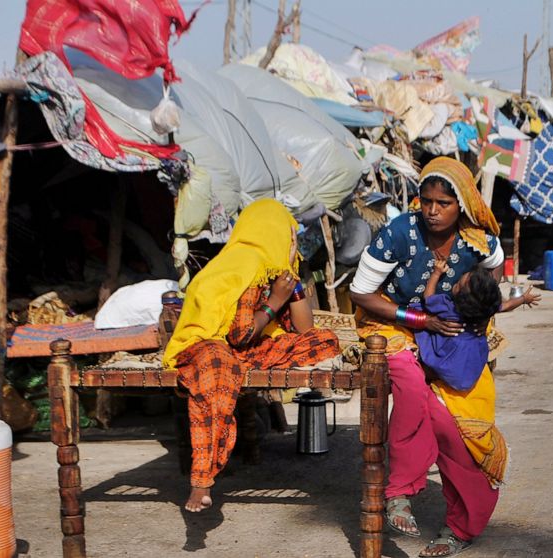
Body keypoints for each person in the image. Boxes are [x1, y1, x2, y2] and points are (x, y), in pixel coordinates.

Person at [350, 157, 533, 558]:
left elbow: (492, 281)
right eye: (426, 200)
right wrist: (420, 319)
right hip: (392, 327)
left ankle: (462, 525)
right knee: (413, 389)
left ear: (462, 204)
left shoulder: (478, 241)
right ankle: (399, 491)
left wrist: (467, 318)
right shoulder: (399, 232)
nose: (432, 211)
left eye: (443, 204)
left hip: (450, 335)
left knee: (457, 430)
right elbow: (361, 294)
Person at [163, 199, 341, 513]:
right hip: (208, 344)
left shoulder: (272, 267)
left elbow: (304, 330)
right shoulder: (246, 264)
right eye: (289, 236)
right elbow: (238, 334)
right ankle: (201, 480)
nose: (293, 243)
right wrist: (275, 300)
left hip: (243, 346)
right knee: (217, 373)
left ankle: (205, 475)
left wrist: (292, 284)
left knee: (324, 340)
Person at [414, 262, 539, 392]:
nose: (455, 284)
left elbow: (428, 297)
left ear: (459, 294)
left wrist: (436, 273)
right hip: (470, 366)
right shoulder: (485, 308)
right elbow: (506, 306)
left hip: (447, 362)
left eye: (457, 285)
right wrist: (523, 298)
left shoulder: (448, 310)